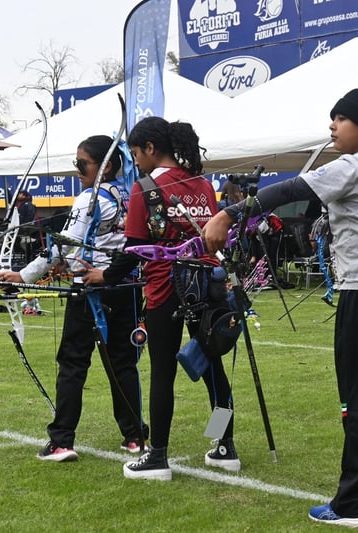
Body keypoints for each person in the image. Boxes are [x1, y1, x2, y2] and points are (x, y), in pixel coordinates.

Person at [204, 86, 358, 527]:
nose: (332, 126)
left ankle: (352, 503)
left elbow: (289, 190)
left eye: (341, 119)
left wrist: (228, 214)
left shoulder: (350, 167)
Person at [84, 116, 240, 481]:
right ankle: (223, 445)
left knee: (163, 374)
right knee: (212, 367)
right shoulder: (202, 184)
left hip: (166, 288)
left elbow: (135, 248)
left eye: (137, 153)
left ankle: (158, 457)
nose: (136, 160)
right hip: (207, 286)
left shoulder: (146, 187)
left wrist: (104, 275)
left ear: (151, 148)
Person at [0, 134, 149, 460]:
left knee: (73, 364)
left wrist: (23, 276)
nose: (78, 170)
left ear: (105, 166)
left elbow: (61, 246)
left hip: (91, 292)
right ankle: (135, 436)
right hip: (123, 289)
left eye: (83, 164)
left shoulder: (89, 198)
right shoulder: (130, 194)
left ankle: (61, 441)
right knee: (122, 363)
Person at [15, 190, 41, 262]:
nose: (18, 196)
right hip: (24, 230)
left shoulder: (27, 205)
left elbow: (29, 218)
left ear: (24, 195)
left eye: (19, 194)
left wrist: (23, 227)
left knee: (25, 244)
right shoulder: (22, 204)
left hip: (27, 231)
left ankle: (29, 258)